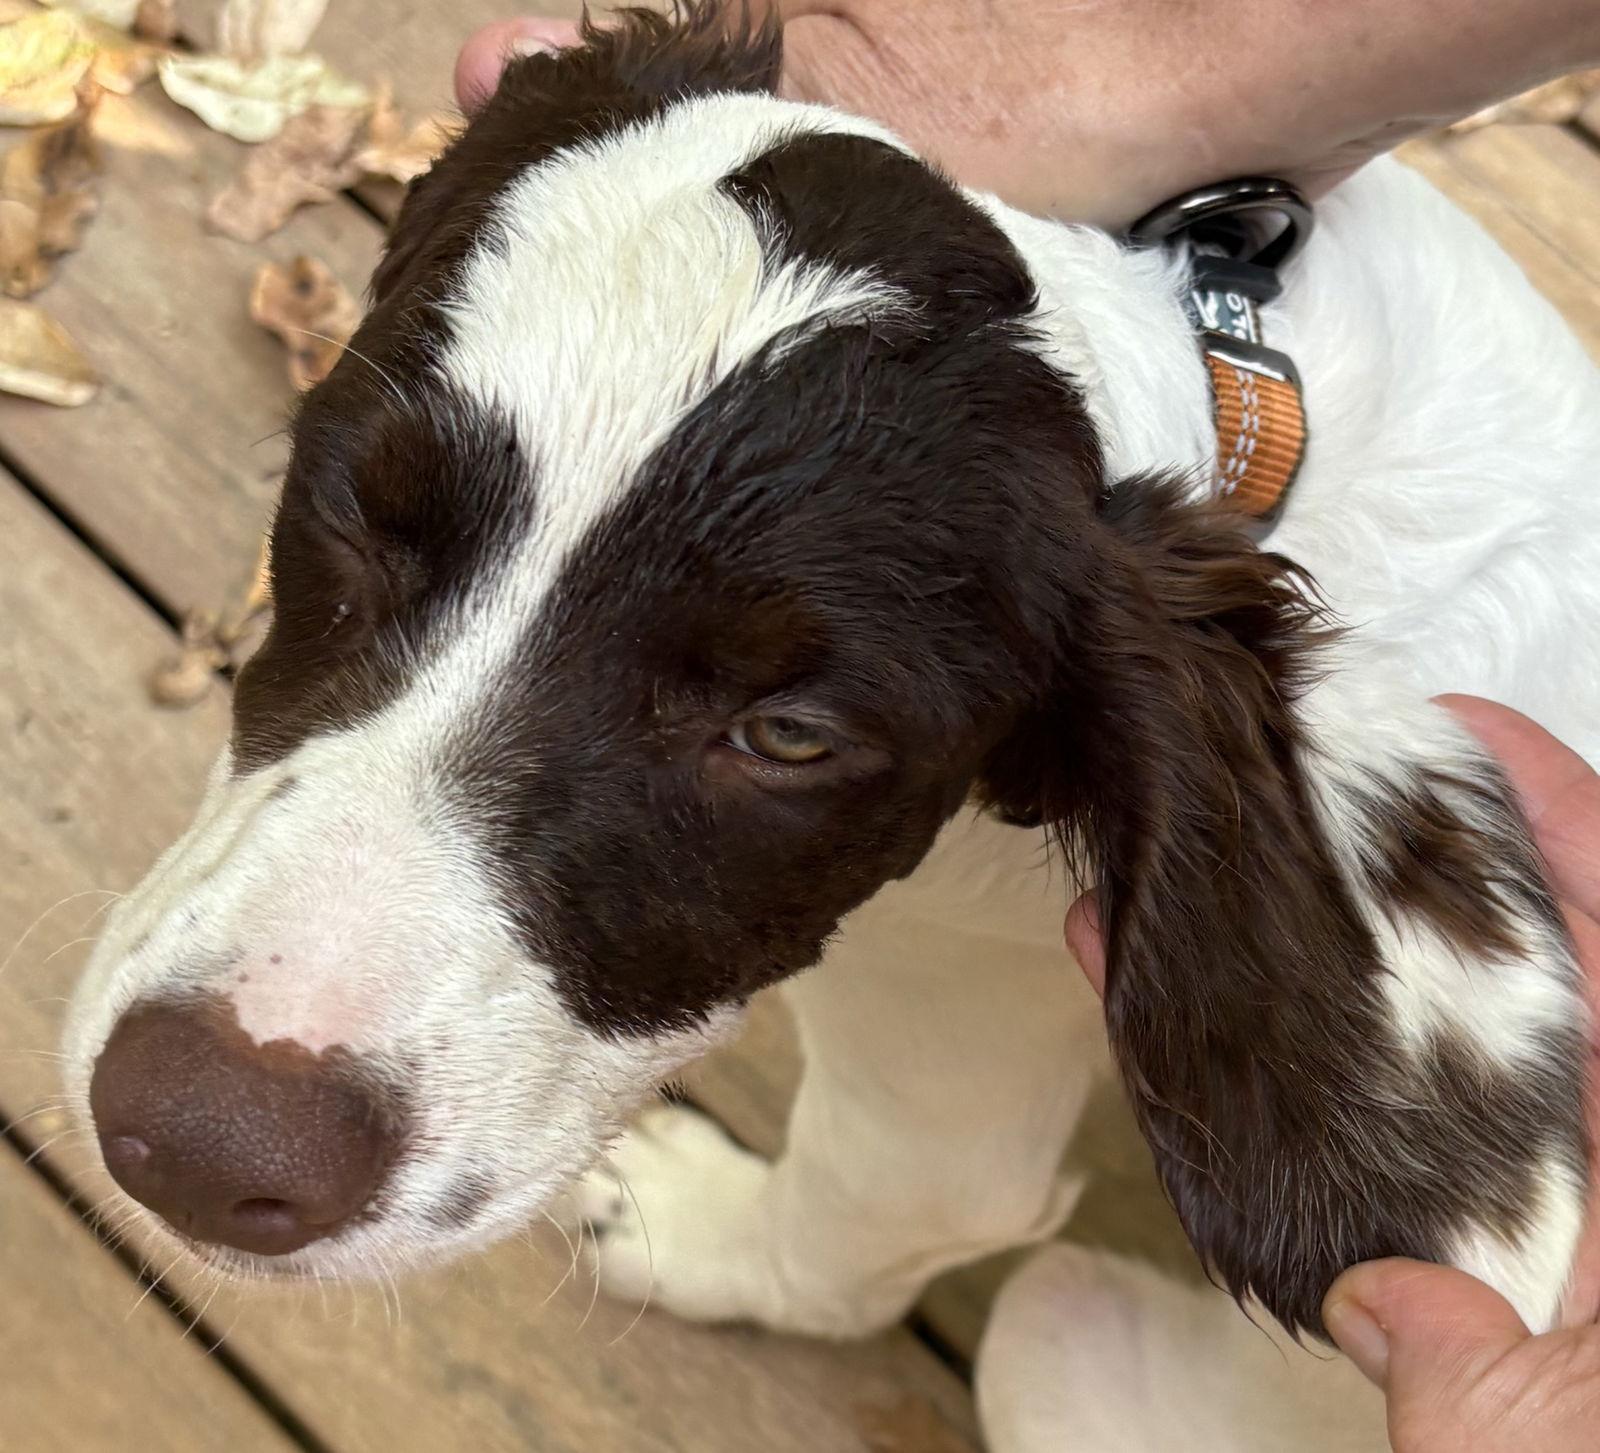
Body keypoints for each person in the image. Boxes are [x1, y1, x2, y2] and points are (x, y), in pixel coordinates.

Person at [452, 11, 1600, 1448]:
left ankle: (804, 1276)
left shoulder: (1023, 650)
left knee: (1063, 1342)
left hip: (1485, 1378)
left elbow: (947, 1168)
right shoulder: (1417, 338)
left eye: (788, 729)